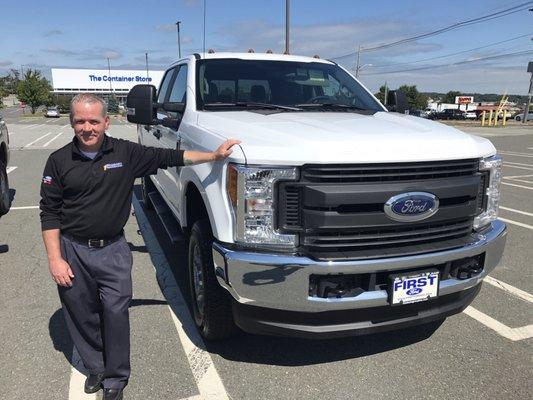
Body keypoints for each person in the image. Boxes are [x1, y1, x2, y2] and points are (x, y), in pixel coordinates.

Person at [40, 93, 240, 400]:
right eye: (80, 121)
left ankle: (116, 379)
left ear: (106, 122)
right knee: (81, 313)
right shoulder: (58, 161)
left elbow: (170, 157)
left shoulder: (125, 153)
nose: (87, 127)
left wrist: (213, 156)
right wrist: (56, 259)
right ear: (72, 122)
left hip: (113, 251)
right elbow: (49, 212)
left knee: (115, 313)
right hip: (73, 250)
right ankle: (95, 366)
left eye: (94, 120)